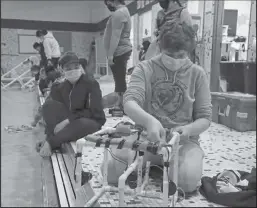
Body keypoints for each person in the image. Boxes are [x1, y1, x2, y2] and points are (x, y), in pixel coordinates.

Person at [104, 21, 212, 193]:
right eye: (170, 54)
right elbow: (130, 101)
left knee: (186, 183)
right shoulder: (145, 68)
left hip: (182, 142)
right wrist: (149, 122)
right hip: (144, 138)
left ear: (189, 51)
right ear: (160, 47)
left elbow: (205, 117)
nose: (175, 60)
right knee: (112, 173)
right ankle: (156, 166)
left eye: (181, 55)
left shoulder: (197, 74)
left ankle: (163, 168)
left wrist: (188, 129)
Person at [36, 52, 106, 157]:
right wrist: (47, 136)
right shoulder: (62, 87)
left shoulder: (91, 84)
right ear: (62, 70)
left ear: (80, 67)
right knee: (48, 105)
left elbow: (93, 112)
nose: (73, 71)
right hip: (72, 121)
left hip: (91, 121)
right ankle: (52, 140)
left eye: (76, 67)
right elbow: (53, 112)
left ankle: (52, 143)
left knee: (80, 124)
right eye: (68, 68)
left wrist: (67, 121)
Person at [103, 0, 132, 112]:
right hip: (120, 50)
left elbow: (115, 35)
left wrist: (110, 55)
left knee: (120, 80)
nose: (107, 5)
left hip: (119, 51)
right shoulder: (122, 12)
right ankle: (120, 103)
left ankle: (122, 105)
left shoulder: (119, 13)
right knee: (119, 80)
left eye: (107, 2)